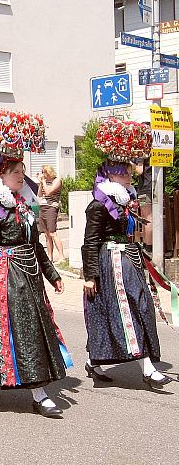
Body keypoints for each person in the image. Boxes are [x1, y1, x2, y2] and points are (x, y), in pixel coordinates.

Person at [0, 155, 71, 419]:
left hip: (28, 279)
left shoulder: (23, 206)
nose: (21, 176)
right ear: (1, 176)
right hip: (4, 279)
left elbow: (34, 245)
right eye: (15, 172)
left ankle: (3, 380)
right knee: (9, 333)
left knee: (27, 331)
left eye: (22, 171)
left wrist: (52, 274)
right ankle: (38, 393)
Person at [82, 160, 172, 388]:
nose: (130, 177)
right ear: (111, 176)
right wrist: (90, 275)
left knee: (141, 307)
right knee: (127, 311)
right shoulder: (98, 205)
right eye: (124, 173)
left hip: (128, 261)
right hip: (111, 263)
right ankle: (148, 369)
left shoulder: (124, 201)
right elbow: (90, 242)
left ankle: (93, 361)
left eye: (130, 172)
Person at [37, 165, 65, 263]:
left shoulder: (57, 180)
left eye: (43, 172)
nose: (42, 174)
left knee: (52, 233)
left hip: (51, 207)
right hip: (43, 207)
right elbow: (40, 194)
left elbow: (48, 192)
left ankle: (61, 256)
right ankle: (50, 257)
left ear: (48, 172)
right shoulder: (44, 182)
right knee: (46, 234)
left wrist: (44, 182)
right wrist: (41, 183)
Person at [132, 158, 152, 253]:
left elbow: (139, 170)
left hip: (145, 188)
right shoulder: (159, 149)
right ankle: (147, 244)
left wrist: (130, 162)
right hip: (156, 187)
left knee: (147, 217)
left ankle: (148, 246)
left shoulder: (143, 153)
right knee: (148, 216)